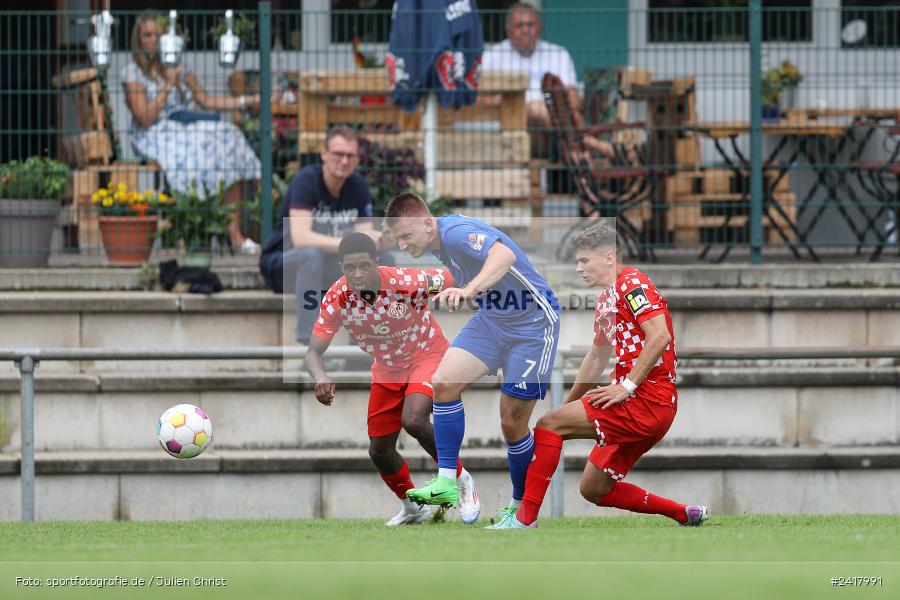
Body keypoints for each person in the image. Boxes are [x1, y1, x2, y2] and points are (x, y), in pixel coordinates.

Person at [487, 222, 708, 529]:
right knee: (593, 489)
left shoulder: (632, 284)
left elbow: (660, 337)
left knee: (547, 426)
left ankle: (523, 520)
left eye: (583, 260)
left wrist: (627, 386)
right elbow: (596, 358)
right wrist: (568, 406)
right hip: (645, 403)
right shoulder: (607, 298)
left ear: (608, 258)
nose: (578, 268)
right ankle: (684, 513)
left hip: (647, 401)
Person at [385, 193, 560, 527]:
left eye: (406, 236)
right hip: (494, 319)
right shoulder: (439, 242)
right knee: (444, 383)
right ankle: (449, 481)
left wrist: (470, 290)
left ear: (426, 222)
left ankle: (521, 511)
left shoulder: (453, 233)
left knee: (512, 423)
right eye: (398, 240)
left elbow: (504, 254)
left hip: (533, 324)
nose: (404, 244)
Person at [305, 232, 480, 526]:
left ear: (376, 262)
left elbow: (455, 276)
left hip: (427, 354)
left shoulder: (405, 281)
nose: (358, 274)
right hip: (387, 368)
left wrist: (481, 284)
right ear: (341, 268)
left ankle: (461, 481)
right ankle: (414, 508)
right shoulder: (336, 298)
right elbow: (312, 353)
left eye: (364, 266)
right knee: (379, 450)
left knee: (413, 420)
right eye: (350, 268)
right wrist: (321, 376)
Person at [122, 11, 261, 251]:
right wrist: (167, 85)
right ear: (139, 39)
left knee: (229, 134)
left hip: (187, 127)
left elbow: (205, 99)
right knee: (197, 147)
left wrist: (244, 102)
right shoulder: (132, 72)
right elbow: (144, 118)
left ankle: (234, 233)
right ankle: (195, 229)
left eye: (159, 35)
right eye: (148, 35)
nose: (153, 40)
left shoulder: (179, 66)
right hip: (155, 132)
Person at [259, 126, 392, 345]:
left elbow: (364, 235)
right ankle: (311, 343)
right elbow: (301, 238)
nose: (344, 161)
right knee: (311, 254)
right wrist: (349, 243)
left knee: (382, 261)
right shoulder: (306, 181)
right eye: (338, 154)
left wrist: (380, 241)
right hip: (282, 264)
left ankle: (363, 346)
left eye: (350, 156)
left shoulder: (357, 186)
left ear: (357, 159)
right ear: (324, 155)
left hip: (323, 268)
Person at [480, 2, 578, 157]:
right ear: (508, 30)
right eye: (519, 26)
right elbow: (480, 100)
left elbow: (573, 98)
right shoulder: (492, 56)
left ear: (540, 27)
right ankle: (576, 150)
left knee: (539, 112)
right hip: (507, 127)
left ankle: (570, 150)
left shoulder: (559, 54)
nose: (525, 30)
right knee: (535, 111)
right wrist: (524, 107)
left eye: (530, 25)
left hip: (552, 130)